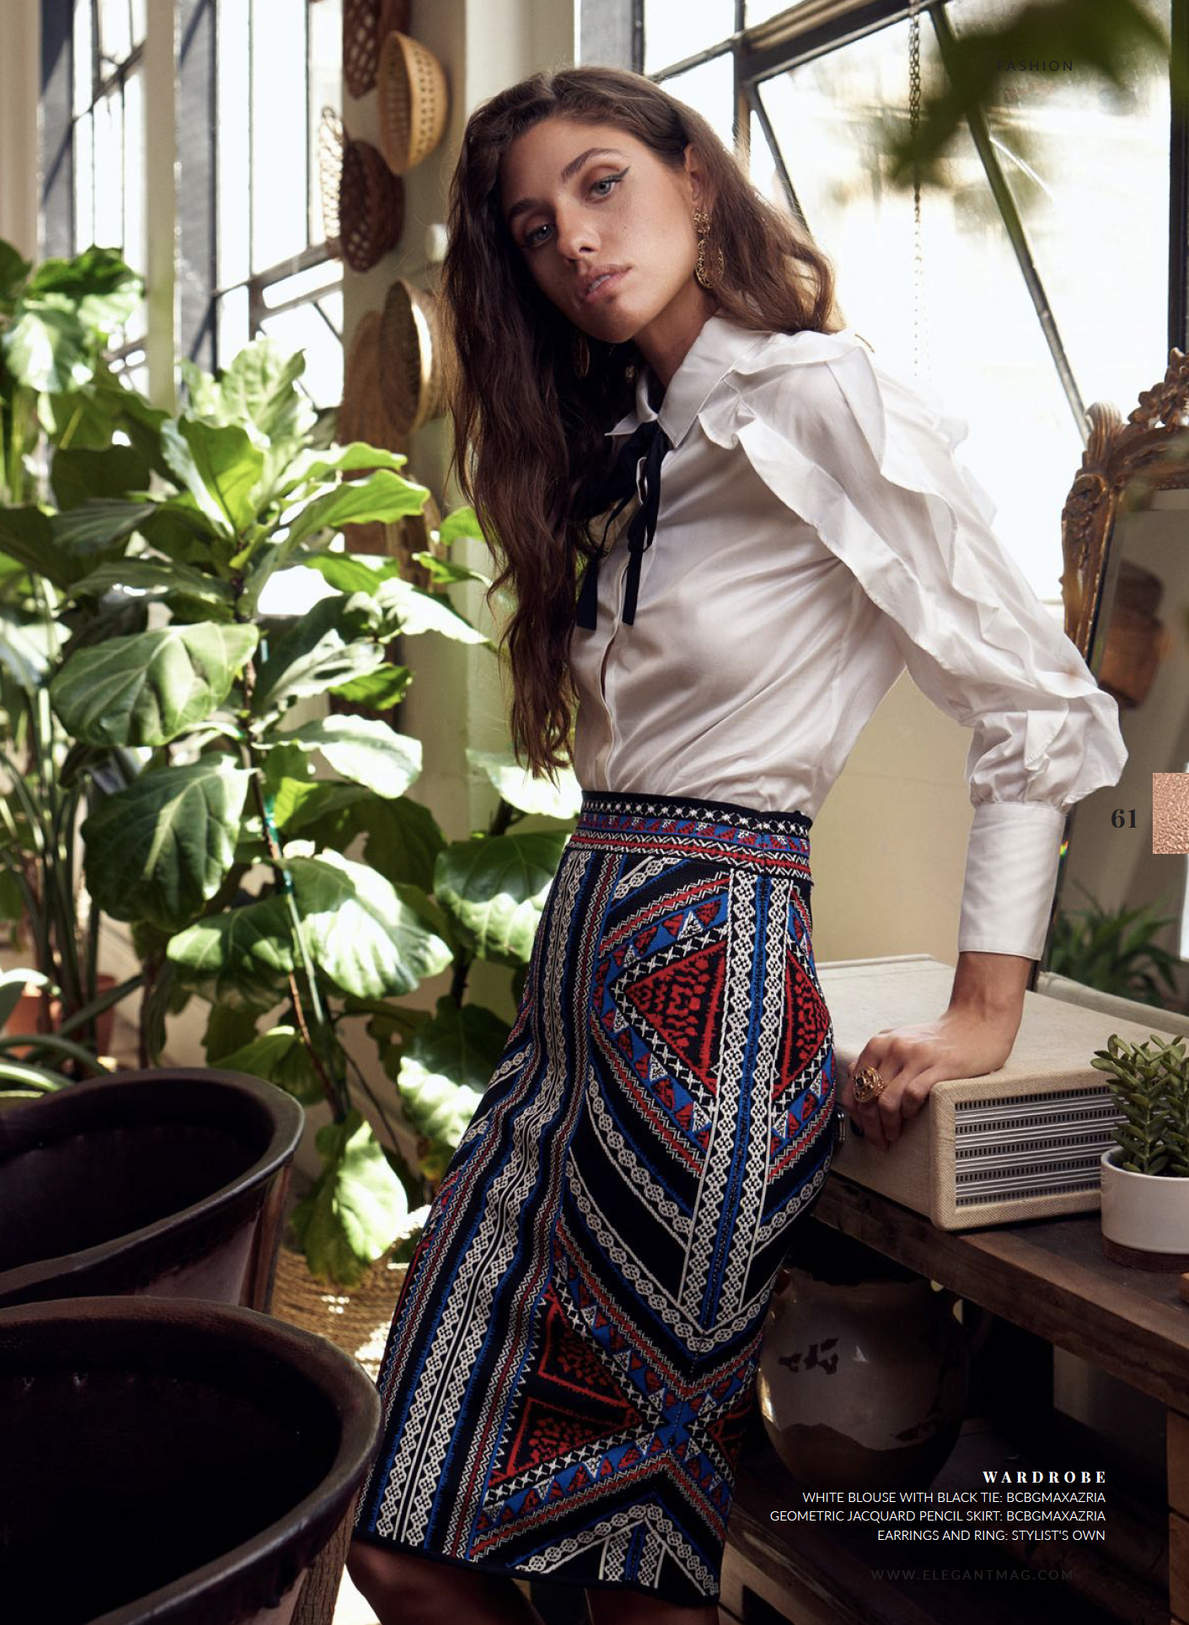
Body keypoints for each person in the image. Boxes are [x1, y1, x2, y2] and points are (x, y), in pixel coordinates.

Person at [340, 67, 1123, 1622]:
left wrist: (985, 1010)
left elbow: (1036, 703)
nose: (576, 238)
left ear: (695, 180)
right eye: (535, 224)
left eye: (603, 183)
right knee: (398, 1540)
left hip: (714, 1006)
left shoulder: (819, 399)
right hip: (569, 1005)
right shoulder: (623, 444)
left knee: (633, 1569)